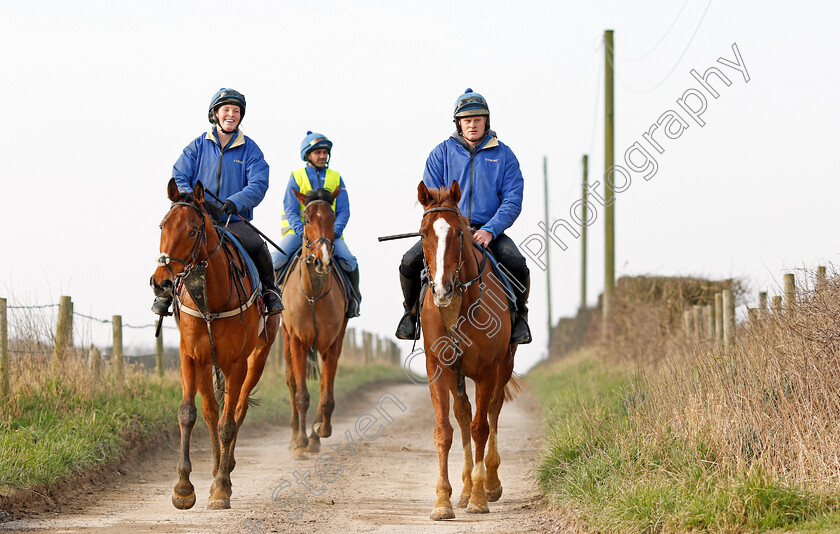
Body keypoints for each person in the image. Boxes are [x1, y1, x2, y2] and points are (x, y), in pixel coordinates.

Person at [396, 88, 531, 344]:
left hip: (487, 231)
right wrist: (447, 225)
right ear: (458, 123)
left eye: (477, 120)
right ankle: (411, 315)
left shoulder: (504, 155)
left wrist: (490, 229)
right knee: (409, 262)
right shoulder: (440, 154)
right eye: (467, 120)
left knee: (517, 263)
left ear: (486, 121)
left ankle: (520, 318)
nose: (472, 125)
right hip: (447, 229)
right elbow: (430, 197)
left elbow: (513, 199)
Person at [151, 88, 284, 316]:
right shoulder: (197, 146)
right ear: (215, 114)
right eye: (226, 110)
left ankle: (270, 292)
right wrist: (191, 199)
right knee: (174, 240)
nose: (231, 114)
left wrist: (235, 202)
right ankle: (165, 294)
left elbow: (259, 183)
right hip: (197, 220)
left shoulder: (251, 150)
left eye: (236, 111)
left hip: (232, 220)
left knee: (257, 244)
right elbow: (179, 174)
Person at [271, 131, 361, 318]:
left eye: (325, 152)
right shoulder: (297, 176)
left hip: (330, 235)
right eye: (318, 152)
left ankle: (353, 299)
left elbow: (344, 210)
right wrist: (302, 231)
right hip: (300, 234)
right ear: (307, 155)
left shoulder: (336, 177)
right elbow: (290, 208)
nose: (322, 156)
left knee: (350, 261)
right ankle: (271, 297)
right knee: (275, 260)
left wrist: (334, 232)